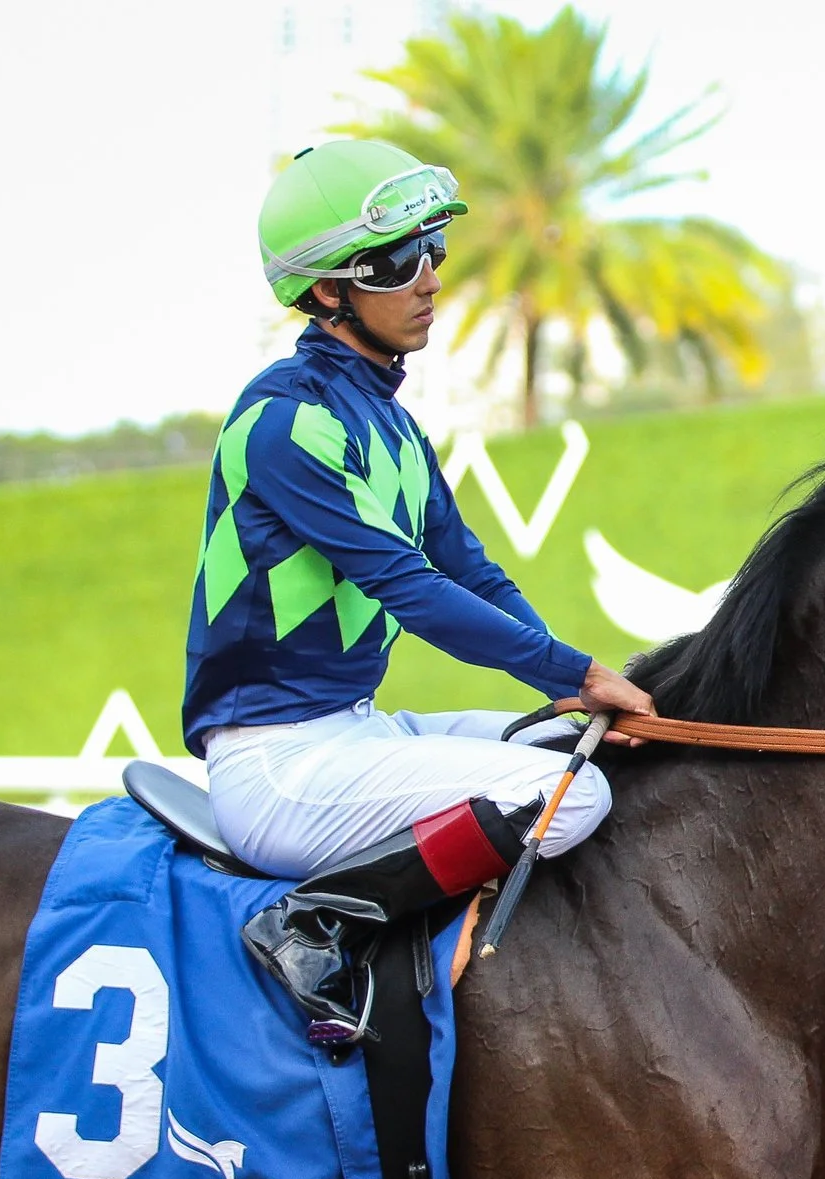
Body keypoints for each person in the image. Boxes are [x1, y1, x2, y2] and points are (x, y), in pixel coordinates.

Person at [183, 139, 653, 1046]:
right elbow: (411, 589)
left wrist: (567, 689)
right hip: (278, 766)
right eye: (397, 262)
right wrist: (576, 669)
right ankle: (314, 920)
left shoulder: (390, 423)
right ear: (329, 291)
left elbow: (470, 569)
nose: (430, 277)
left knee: (572, 744)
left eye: (432, 249)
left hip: (353, 732)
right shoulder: (284, 423)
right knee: (572, 797)